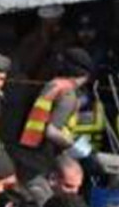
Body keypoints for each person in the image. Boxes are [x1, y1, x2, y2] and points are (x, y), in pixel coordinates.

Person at [14, 48, 96, 181]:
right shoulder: (68, 94)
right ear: (86, 76)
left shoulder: (53, 84)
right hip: (40, 157)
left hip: (25, 148)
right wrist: (83, 150)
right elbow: (52, 131)